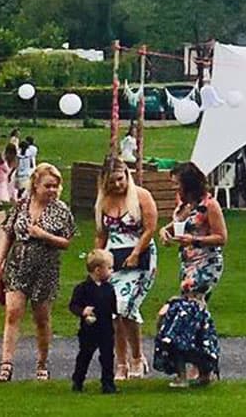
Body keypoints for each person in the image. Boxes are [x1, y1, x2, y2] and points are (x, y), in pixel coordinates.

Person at [0, 162, 76, 383]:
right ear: (36, 185)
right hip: (18, 264)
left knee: (41, 317)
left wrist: (43, 235)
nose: (52, 190)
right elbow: (8, 233)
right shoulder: (21, 205)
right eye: (48, 186)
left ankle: (42, 362)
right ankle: (6, 364)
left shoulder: (61, 210)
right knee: (13, 312)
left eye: (55, 186)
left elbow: (66, 241)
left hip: (45, 268)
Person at [157, 162, 226, 388]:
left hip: (206, 264)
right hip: (187, 264)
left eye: (177, 183)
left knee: (184, 312)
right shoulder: (185, 204)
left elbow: (221, 237)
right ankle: (203, 367)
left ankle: (185, 369)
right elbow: (178, 225)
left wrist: (194, 240)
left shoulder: (209, 205)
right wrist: (165, 232)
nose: (174, 186)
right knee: (197, 317)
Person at [93, 157, 159, 381]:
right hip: (115, 259)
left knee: (125, 306)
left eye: (120, 179)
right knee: (114, 311)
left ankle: (137, 357)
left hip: (139, 258)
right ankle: (120, 361)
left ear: (127, 176)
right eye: (112, 182)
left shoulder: (141, 196)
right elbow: (101, 234)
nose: (117, 185)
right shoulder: (104, 202)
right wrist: (97, 261)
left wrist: (135, 253)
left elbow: (150, 229)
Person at [68, 249, 119, 394]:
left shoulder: (109, 288)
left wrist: (116, 314)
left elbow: (112, 307)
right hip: (88, 330)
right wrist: (83, 311)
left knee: (108, 356)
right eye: (109, 268)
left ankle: (108, 383)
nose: (111, 271)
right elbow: (73, 306)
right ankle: (78, 380)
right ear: (98, 270)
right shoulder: (82, 288)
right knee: (85, 355)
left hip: (106, 328)